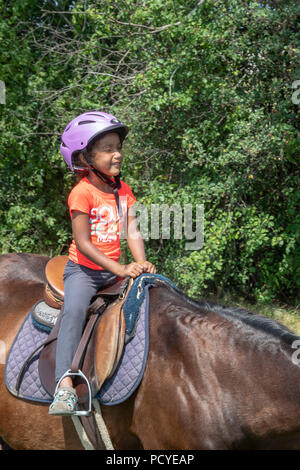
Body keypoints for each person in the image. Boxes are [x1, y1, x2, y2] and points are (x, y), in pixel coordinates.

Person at [49, 111, 156, 415]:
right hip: (83, 272)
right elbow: (83, 243)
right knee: (75, 311)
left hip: (113, 273)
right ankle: (64, 387)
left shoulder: (122, 190)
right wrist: (121, 268)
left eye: (118, 147)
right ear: (85, 156)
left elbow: (131, 229)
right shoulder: (81, 193)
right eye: (108, 149)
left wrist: (141, 261)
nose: (117, 154)